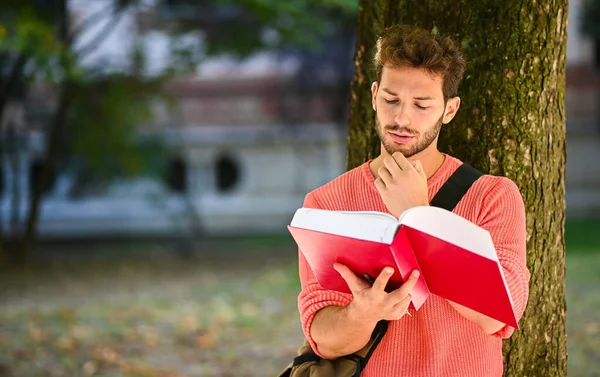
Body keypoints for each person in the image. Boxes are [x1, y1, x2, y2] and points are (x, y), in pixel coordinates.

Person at [296, 24, 530, 376]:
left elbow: (501, 312)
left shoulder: (492, 196)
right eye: (391, 100)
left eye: (421, 105)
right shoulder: (326, 202)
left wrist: (418, 217)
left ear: (449, 110)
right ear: (374, 95)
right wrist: (364, 311)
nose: (402, 119)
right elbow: (323, 340)